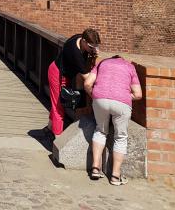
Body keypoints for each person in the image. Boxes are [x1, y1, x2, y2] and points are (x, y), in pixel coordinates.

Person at [84, 55, 142, 185]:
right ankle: (115, 176)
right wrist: (124, 96)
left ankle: (95, 168)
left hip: (100, 100)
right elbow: (138, 94)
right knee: (120, 137)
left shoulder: (102, 63)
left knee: (100, 130)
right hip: (122, 102)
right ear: (122, 59)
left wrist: (95, 95)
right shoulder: (129, 66)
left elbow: (87, 83)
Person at [47, 28, 101, 137]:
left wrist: (94, 50)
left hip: (65, 74)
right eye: (91, 47)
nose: (93, 49)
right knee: (59, 106)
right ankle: (57, 139)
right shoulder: (75, 53)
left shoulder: (79, 37)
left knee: (57, 102)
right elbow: (87, 78)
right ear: (84, 41)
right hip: (57, 73)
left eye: (96, 46)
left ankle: (49, 127)